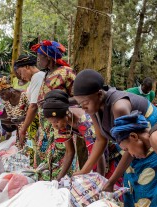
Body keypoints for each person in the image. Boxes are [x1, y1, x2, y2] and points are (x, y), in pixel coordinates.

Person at [72, 69, 157, 207]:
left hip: (154, 148)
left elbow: (132, 143)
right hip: (132, 151)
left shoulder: (119, 107)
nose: (83, 108)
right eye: (80, 104)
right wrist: (84, 171)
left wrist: (111, 181)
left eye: (84, 103)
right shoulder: (94, 107)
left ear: (99, 94)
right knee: (131, 193)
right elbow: (101, 139)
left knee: (149, 195)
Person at [30, 40, 76, 180]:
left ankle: (60, 184)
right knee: (43, 160)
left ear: (49, 57)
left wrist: (58, 103)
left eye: (40, 57)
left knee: (61, 157)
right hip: (45, 127)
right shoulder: (46, 75)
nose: (38, 60)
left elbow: (79, 98)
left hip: (60, 124)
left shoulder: (66, 73)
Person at [42, 90, 108, 180]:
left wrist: (100, 180)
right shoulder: (63, 123)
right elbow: (70, 152)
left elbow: (99, 153)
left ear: (66, 114)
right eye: (52, 123)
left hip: (111, 148)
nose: (55, 126)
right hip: (97, 152)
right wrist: (58, 179)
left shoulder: (86, 122)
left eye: (56, 122)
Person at [14, 55, 45, 146]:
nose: (21, 77)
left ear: (27, 67)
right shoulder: (35, 78)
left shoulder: (37, 77)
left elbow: (33, 106)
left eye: (20, 72)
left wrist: (23, 130)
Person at [0, 75, 29, 147]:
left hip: (31, 129)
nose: (2, 97)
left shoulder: (24, 95)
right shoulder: (7, 102)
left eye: (3, 93)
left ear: (9, 88)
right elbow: (11, 120)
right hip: (20, 132)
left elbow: (35, 112)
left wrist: (23, 118)